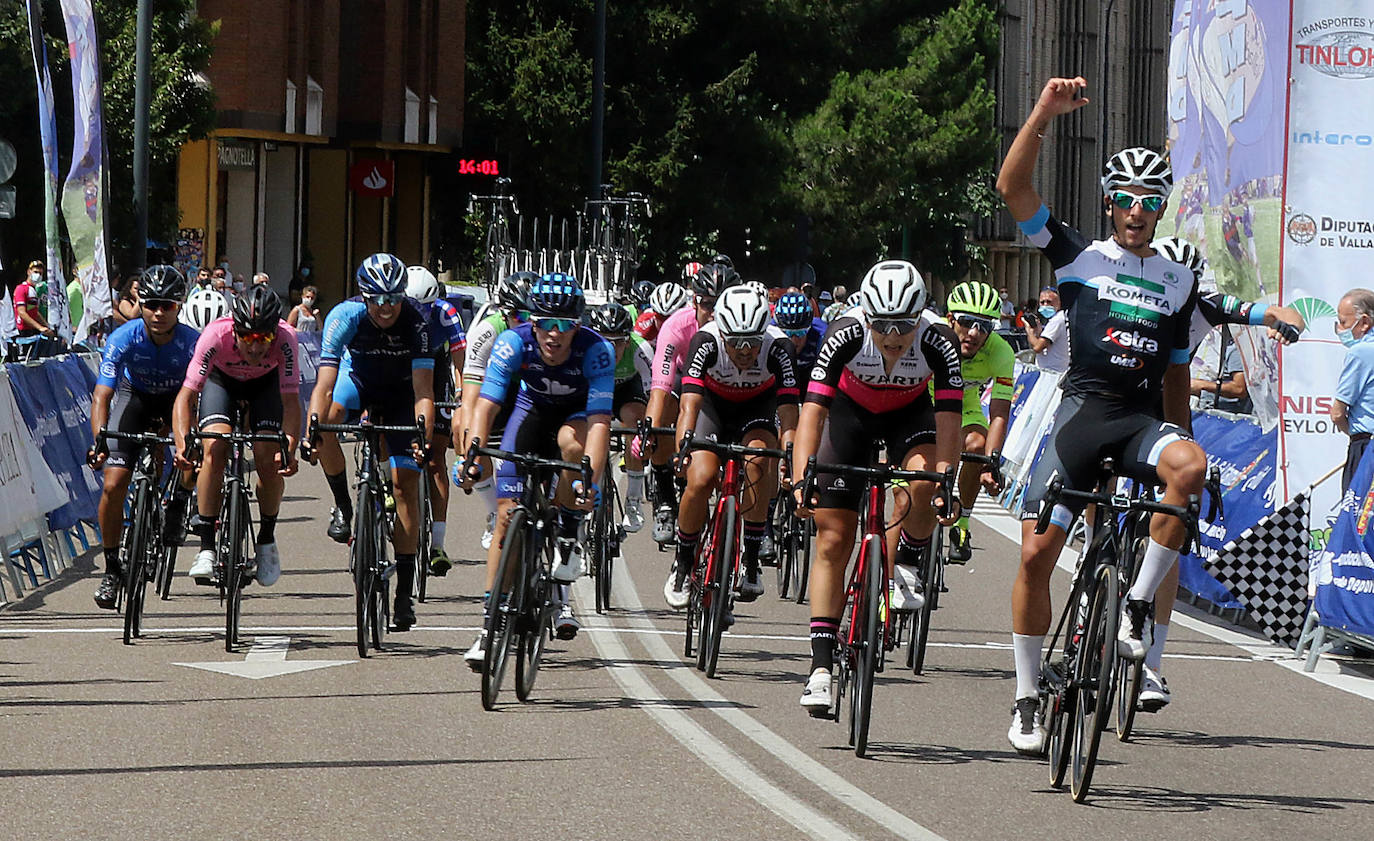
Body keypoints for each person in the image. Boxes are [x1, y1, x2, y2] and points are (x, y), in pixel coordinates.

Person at [995, 76, 1208, 754]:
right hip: (1080, 418)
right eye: (1126, 199)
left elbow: (1176, 373)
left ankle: (1138, 604)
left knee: (1193, 466)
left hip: (1141, 422)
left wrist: (1183, 451)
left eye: (1150, 201)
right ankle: (1028, 694)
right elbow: (1013, 191)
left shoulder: (1178, 281)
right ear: (1110, 203)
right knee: (1035, 554)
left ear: (1162, 208)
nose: (1137, 210)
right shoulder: (1081, 257)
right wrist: (1043, 114)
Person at [792, 260, 964, 713]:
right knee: (833, 537)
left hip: (910, 416)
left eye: (903, 324)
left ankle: (907, 560)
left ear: (920, 316)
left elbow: (949, 421)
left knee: (923, 481)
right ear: (866, 316)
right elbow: (812, 412)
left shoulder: (938, 340)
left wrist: (947, 479)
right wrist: (800, 477)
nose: (892, 335)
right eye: (882, 324)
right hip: (851, 418)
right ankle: (821, 666)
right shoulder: (845, 334)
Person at [459, 273, 614, 662]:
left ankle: (567, 531)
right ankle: (488, 626)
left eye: (565, 325)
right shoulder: (512, 343)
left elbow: (599, 425)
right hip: (529, 414)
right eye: (545, 322)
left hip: (575, 417)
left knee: (571, 446)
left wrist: (588, 482)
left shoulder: (596, 351)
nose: (554, 334)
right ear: (532, 322)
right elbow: (487, 407)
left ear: (578, 326)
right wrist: (473, 455)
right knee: (507, 516)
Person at [306, 254, 435, 630]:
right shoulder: (343, 316)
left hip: (401, 395)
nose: (385, 307)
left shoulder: (416, 320)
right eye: (376, 299)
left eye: (393, 298)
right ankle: (345, 507)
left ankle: (404, 594)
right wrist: (313, 427)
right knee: (327, 419)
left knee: (405, 485)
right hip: (357, 382)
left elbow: (424, 391)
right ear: (363, 297)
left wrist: (422, 435)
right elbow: (325, 384)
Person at [665, 285, 799, 609]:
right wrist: (683, 447)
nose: (743, 351)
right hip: (713, 407)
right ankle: (683, 563)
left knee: (758, 462)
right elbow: (689, 405)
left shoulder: (779, 346)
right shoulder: (706, 341)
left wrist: (791, 456)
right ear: (721, 331)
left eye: (752, 342)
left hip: (757, 409)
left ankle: (751, 559)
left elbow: (789, 413)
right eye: (735, 342)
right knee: (700, 478)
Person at [87, 266, 200, 609]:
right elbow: (101, 396)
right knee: (113, 484)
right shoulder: (124, 338)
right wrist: (100, 442)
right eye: (151, 304)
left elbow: (201, 397)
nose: (158, 312)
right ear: (140, 303)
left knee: (194, 451)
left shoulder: (192, 342)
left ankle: (180, 501)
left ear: (179, 306)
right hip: (133, 396)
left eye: (167, 305)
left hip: (177, 400)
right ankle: (111, 568)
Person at [173, 284, 300, 589]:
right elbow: (185, 397)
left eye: (264, 338)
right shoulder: (215, 335)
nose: (255, 348)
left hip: (264, 386)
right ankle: (205, 547)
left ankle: (266, 539)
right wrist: (182, 444)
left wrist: (291, 447)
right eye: (247, 338)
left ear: (275, 332)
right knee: (214, 449)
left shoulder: (286, 340)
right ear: (235, 329)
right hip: (222, 383)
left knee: (267, 457)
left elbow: (292, 403)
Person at [646, 264, 736, 546]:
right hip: (681, 383)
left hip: (721, 391)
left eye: (721, 304)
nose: (713, 312)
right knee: (664, 418)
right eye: (707, 304)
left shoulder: (740, 328)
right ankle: (664, 502)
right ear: (695, 300)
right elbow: (659, 387)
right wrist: (650, 428)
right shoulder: (677, 326)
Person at [456, 271, 534, 549]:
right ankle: (493, 510)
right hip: (498, 386)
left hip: (532, 388)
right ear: (504, 314)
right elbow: (471, 402)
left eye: (530, 317)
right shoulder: (488, 331)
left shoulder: (548, 334)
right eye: (517, 316)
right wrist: (469, 449)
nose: (523, 324)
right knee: (466, 430)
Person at [941, 281, 1014, 563]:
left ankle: (962, 525)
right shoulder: (933, 337)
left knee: (977, 444)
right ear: (951, 319)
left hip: (964, 404)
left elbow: (999, 413)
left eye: (984, 326)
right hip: (925, 400)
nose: (974, 332)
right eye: (967, 321)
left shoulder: (1001, 352)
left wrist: (990, 463)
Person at [404, 264, 466, 576]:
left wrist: (462, 394)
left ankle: (437, 544)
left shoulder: (446, 313)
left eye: (424, 308)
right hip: (400, 363)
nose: (419, 313)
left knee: (435, 456)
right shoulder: (392, 310)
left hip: (436, 367)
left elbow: (460, 361)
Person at [589, 302, 654, 532]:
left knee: (636, 426)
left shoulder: (641, 349)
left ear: (628, 339)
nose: (612, 348)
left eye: (618, 342)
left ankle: (634, 502)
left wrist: (647, 432)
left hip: (628, 391)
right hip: (595, 389)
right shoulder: (584, 347)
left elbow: (654, 395)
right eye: (605, 341)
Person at [1332, 288, 1374, 494]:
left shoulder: (1361, 352)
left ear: (1364, 322)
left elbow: (1337, 413)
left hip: (1367, 447)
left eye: (1343, 322)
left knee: (1357, 518)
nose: (1340, 329)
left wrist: (1354, 435)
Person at [1025, 287, 1069, 373]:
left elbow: (1038, 347)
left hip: (1053, 372)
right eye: (1042, 302)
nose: (1045, 305)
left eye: (1049, 302)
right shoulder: (1058, 318)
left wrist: (1029, 332)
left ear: (1059, 303)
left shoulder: (1057, 320)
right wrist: (1039, 333)